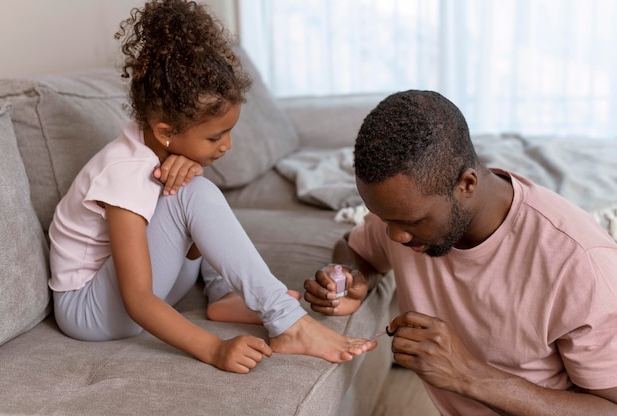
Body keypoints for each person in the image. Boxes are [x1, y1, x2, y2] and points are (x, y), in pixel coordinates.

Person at [48, 0, 375, 375]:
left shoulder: (158, 151)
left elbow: (182, 245)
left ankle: (225, 296)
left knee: (192, 192)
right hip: (92, 310)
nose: (227, 146)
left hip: (153, 290)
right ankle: (289, 323)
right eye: (216, 136)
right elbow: (137, 298)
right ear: (165, 132)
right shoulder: (123, 173)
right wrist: (214, 350)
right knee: (193, 194)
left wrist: (189, 172)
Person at [304, 90, 617, 414]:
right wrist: (349, 276)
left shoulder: (581, 264)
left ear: (466, 184)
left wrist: (468, 376)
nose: (395, 235)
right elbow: (354, 247)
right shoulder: (407, 216)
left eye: (411, 221)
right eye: (385, 219)